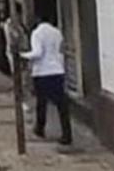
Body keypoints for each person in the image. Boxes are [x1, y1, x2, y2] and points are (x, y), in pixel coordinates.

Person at [21, 13, 72, 146]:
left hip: (42, 72)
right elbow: (60, 52)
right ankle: (67, 134)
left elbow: (37, 53)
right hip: (57, 71)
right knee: (62, 105)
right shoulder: (57, 32)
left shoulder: (37, 33)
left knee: (41, 102)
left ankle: (40, 128)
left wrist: (23, 55)